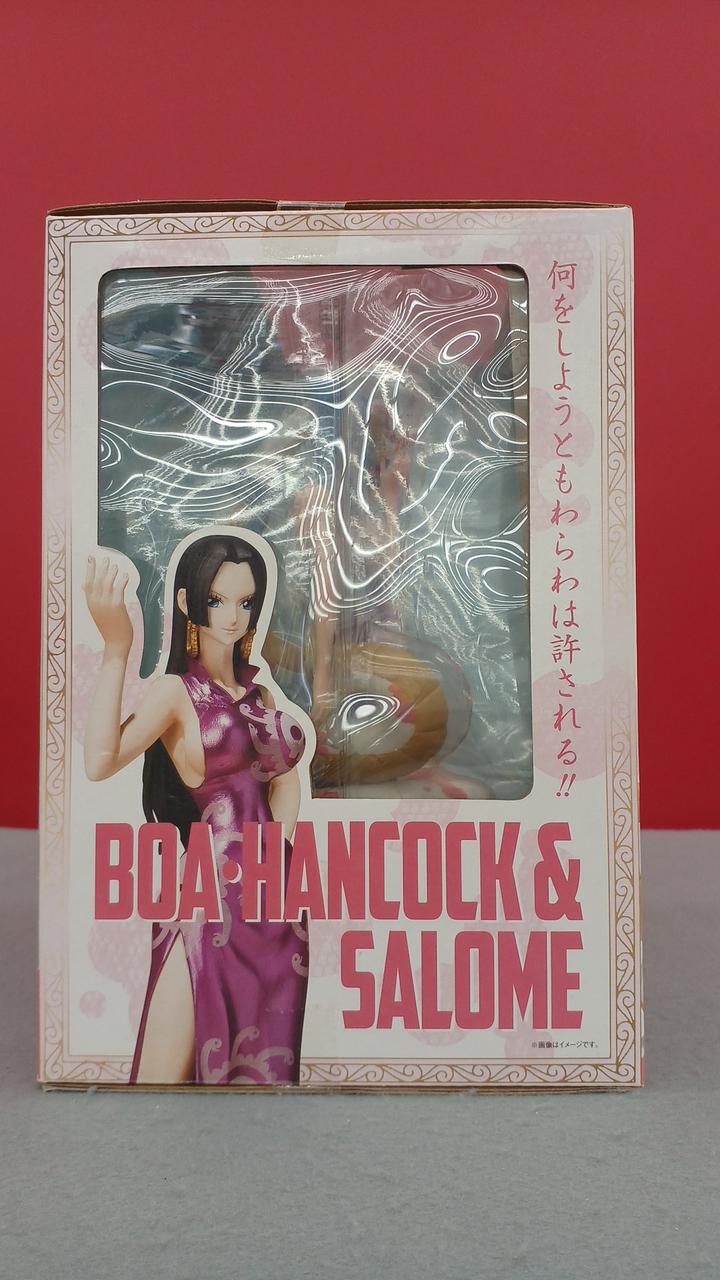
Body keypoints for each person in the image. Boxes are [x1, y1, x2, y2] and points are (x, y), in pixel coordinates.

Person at [83, 532, 309, 1085]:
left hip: (275, 902)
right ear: (187, 601)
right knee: (162, 1074)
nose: (233, 616)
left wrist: (277, 851)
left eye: (245, 601)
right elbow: (100, 761)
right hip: (211, 897)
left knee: (261, 1064)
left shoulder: (260, 695)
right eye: (216, 600)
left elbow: (283, 781)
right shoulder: (176, 693)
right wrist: (116, 648)